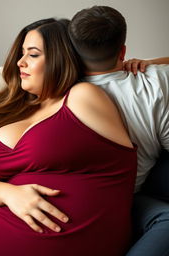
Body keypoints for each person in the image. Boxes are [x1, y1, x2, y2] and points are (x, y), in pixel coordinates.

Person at [0, 18, 137, 256]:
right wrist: (10, 194)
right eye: (21, 54)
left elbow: (156, 74)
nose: (20, 62)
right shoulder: (9, 112)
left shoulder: (84, 97)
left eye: (33, 54)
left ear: (61, 57)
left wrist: (142, 63)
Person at [68, 5, 169, 256]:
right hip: (131, 194)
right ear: (123, 50)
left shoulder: (59, 86)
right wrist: (151, 64)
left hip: (79, 195)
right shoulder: (157, 81)